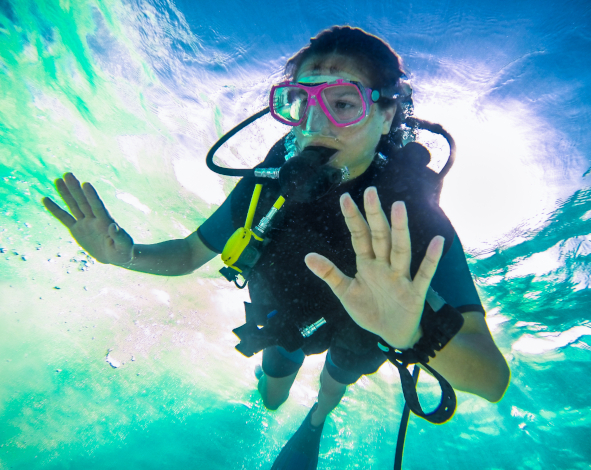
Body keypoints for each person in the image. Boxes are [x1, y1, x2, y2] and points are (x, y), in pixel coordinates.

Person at [43, 26, 510, 469]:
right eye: (299, 103)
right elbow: (189, 253)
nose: (314, 124)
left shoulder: (417, 218)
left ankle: (317, 421)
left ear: (387, 115)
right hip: (283, 321)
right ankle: (287, 397)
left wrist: (412, 336)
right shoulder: (266, 187)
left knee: (336, 382)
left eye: (343, 103)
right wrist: (125, 256)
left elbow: (491, 380)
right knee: (271, 395)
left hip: (365, 334)